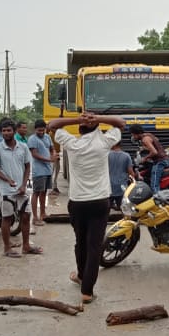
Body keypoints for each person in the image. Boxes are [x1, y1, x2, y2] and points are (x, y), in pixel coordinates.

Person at [47, 112, 126, 305]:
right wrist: (97, 118)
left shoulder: (72, 144)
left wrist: (78, 119)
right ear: (97, 128)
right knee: (94, 246)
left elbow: (53, 124)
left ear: (80, 130)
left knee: (80, 242)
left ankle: (81, 275)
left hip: (77, 203)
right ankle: (86, 291)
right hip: (99, 202)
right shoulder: (104, 143)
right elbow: (121, 123)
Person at [0, 119, 40, 257]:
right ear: (1, 132)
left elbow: (27, 166)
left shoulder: (23, 147)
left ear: (14, 131)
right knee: (7, 219)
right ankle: (7, 248)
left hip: (22, 190)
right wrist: (7, 180)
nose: (6, 133)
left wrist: (24, 184)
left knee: (26, 217)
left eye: (9, 130)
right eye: (4, 131)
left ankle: (26, 246)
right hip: (6, 191)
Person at [27, 119, 57, 226]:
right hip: (38, 171)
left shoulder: (47, 137)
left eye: (43, 130)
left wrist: (53, 153)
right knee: (36, 193)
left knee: (44, 193)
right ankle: (35, 217)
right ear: (35, 129)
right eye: (39, 130)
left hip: (47, 170)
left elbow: (52, 148)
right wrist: (49, 159)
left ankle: (43, 213)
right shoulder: (32, 139)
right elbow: (34, 154)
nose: (41, 132)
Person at [129, 124, 169, 194]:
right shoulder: (149, 135)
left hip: (160, 162)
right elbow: (156, 141)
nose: (133, 137)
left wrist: (145, 158)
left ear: (136, 133)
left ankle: (157, 198)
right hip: (166, 159)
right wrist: (145, 148)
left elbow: (154, 152)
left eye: (133, 134)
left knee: (154, 184)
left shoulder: (145, 139)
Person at [108, 143, 137, 210]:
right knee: (124, 209)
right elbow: (131, 172)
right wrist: (134, 183)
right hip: (122, 186)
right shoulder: (126, 156)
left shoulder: (107, 155)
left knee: (106, 210)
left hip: (108, 186)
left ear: (114, 144)